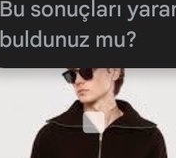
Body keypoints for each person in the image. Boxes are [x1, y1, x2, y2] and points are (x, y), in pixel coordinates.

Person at [30, 67, 167, 157]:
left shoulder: (148, 137)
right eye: (72, 75)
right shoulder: (51, 136)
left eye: (86, 71)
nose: (78, 81)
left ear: (114, 71)